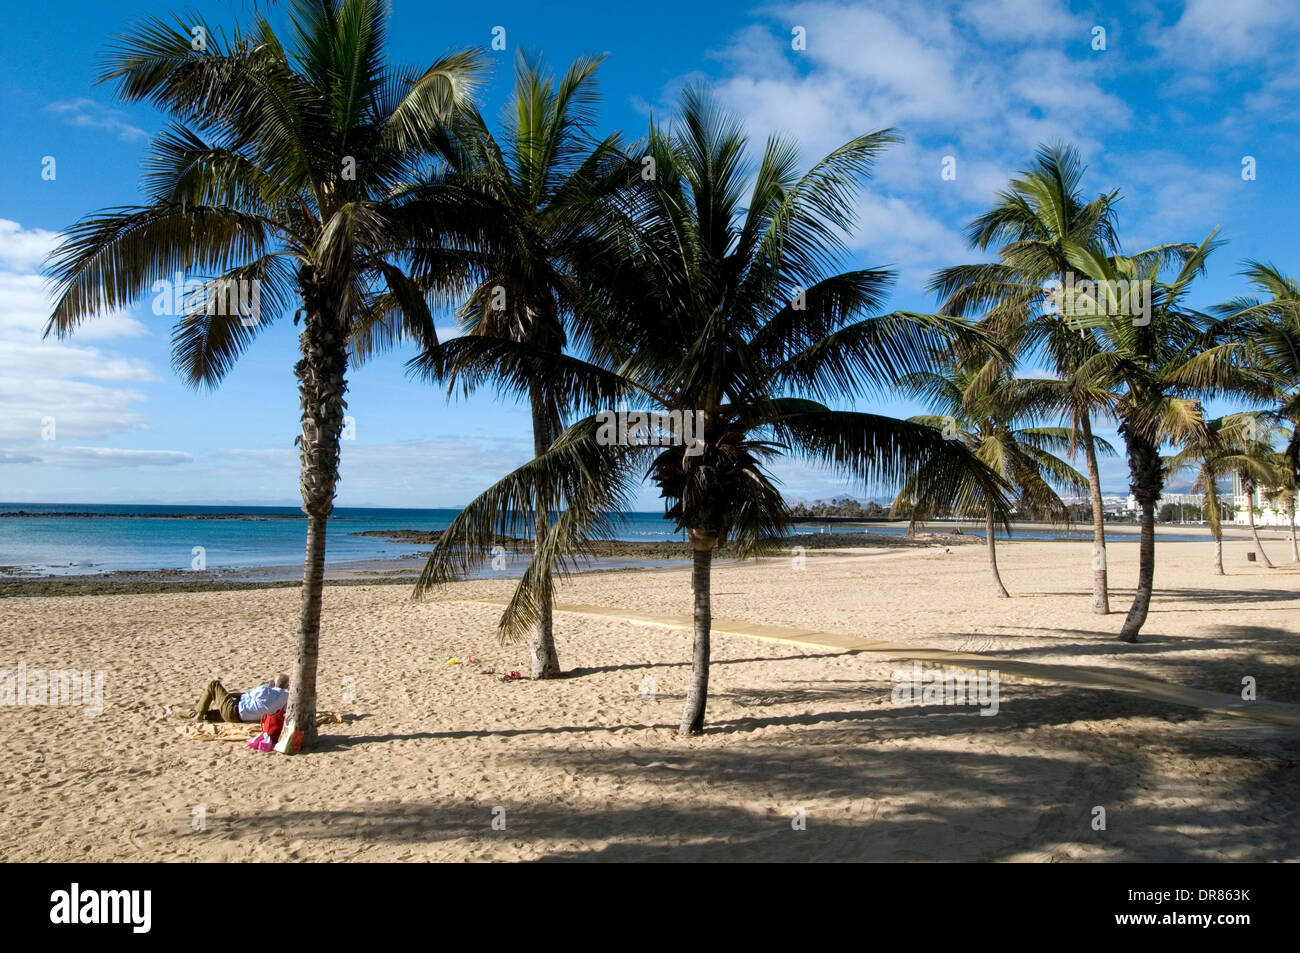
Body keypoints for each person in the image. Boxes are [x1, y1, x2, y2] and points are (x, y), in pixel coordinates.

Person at [186, 673, 289, 724]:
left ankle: (198, 715)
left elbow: (243, 696)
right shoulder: (287, 698)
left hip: (234, 711)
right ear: (287, 686)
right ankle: (174, 713)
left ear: (274, 683)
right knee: (208, 715)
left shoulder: (264, 690)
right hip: (241, 719)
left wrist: (230, 695)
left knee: (214, 684)